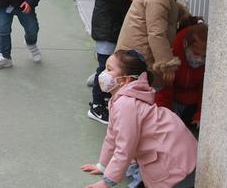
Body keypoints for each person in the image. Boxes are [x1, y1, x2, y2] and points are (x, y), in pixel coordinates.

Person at [80, 50, 197, 188]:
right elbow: (112, 137)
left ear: (125, 80)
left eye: (109, 69)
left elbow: (125, 147)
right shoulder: (119, 100)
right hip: (177, 154)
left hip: (175, 164)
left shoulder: (126, 104)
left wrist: (107, 182)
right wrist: (102, 166)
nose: (103, 74)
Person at [88, 0, 157, 125]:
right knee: (106, 67)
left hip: (115, 25)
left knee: (112, 64)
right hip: (107, 26)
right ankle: (97, 105)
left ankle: (102, 85)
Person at [156, 23, 207, 134]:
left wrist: (200, 114)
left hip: (193, 103)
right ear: (185, 45)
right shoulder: (173, 54)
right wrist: (164, 115)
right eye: (196, 54)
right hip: (173, 99)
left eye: (204, 56)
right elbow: (165, 89)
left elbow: (206, 90)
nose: (199, 60)